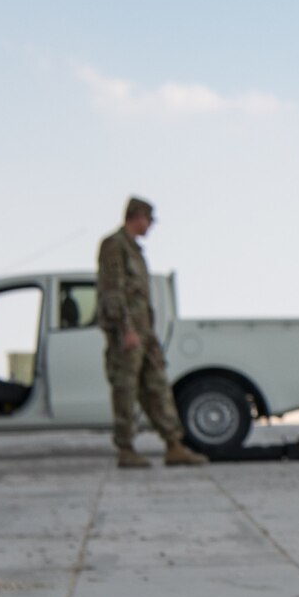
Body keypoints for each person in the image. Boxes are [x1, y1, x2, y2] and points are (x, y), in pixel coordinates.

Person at [97, 197, 206, 468]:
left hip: (145, 331)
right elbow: (113, 290)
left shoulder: (135, 250)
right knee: (126, 388)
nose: (151, 226)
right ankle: (125, 448)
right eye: (149, 220)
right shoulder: (114, 245)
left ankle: (173, 444)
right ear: (138, 217)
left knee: (157, 386)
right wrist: (126, 329)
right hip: (128, 333)